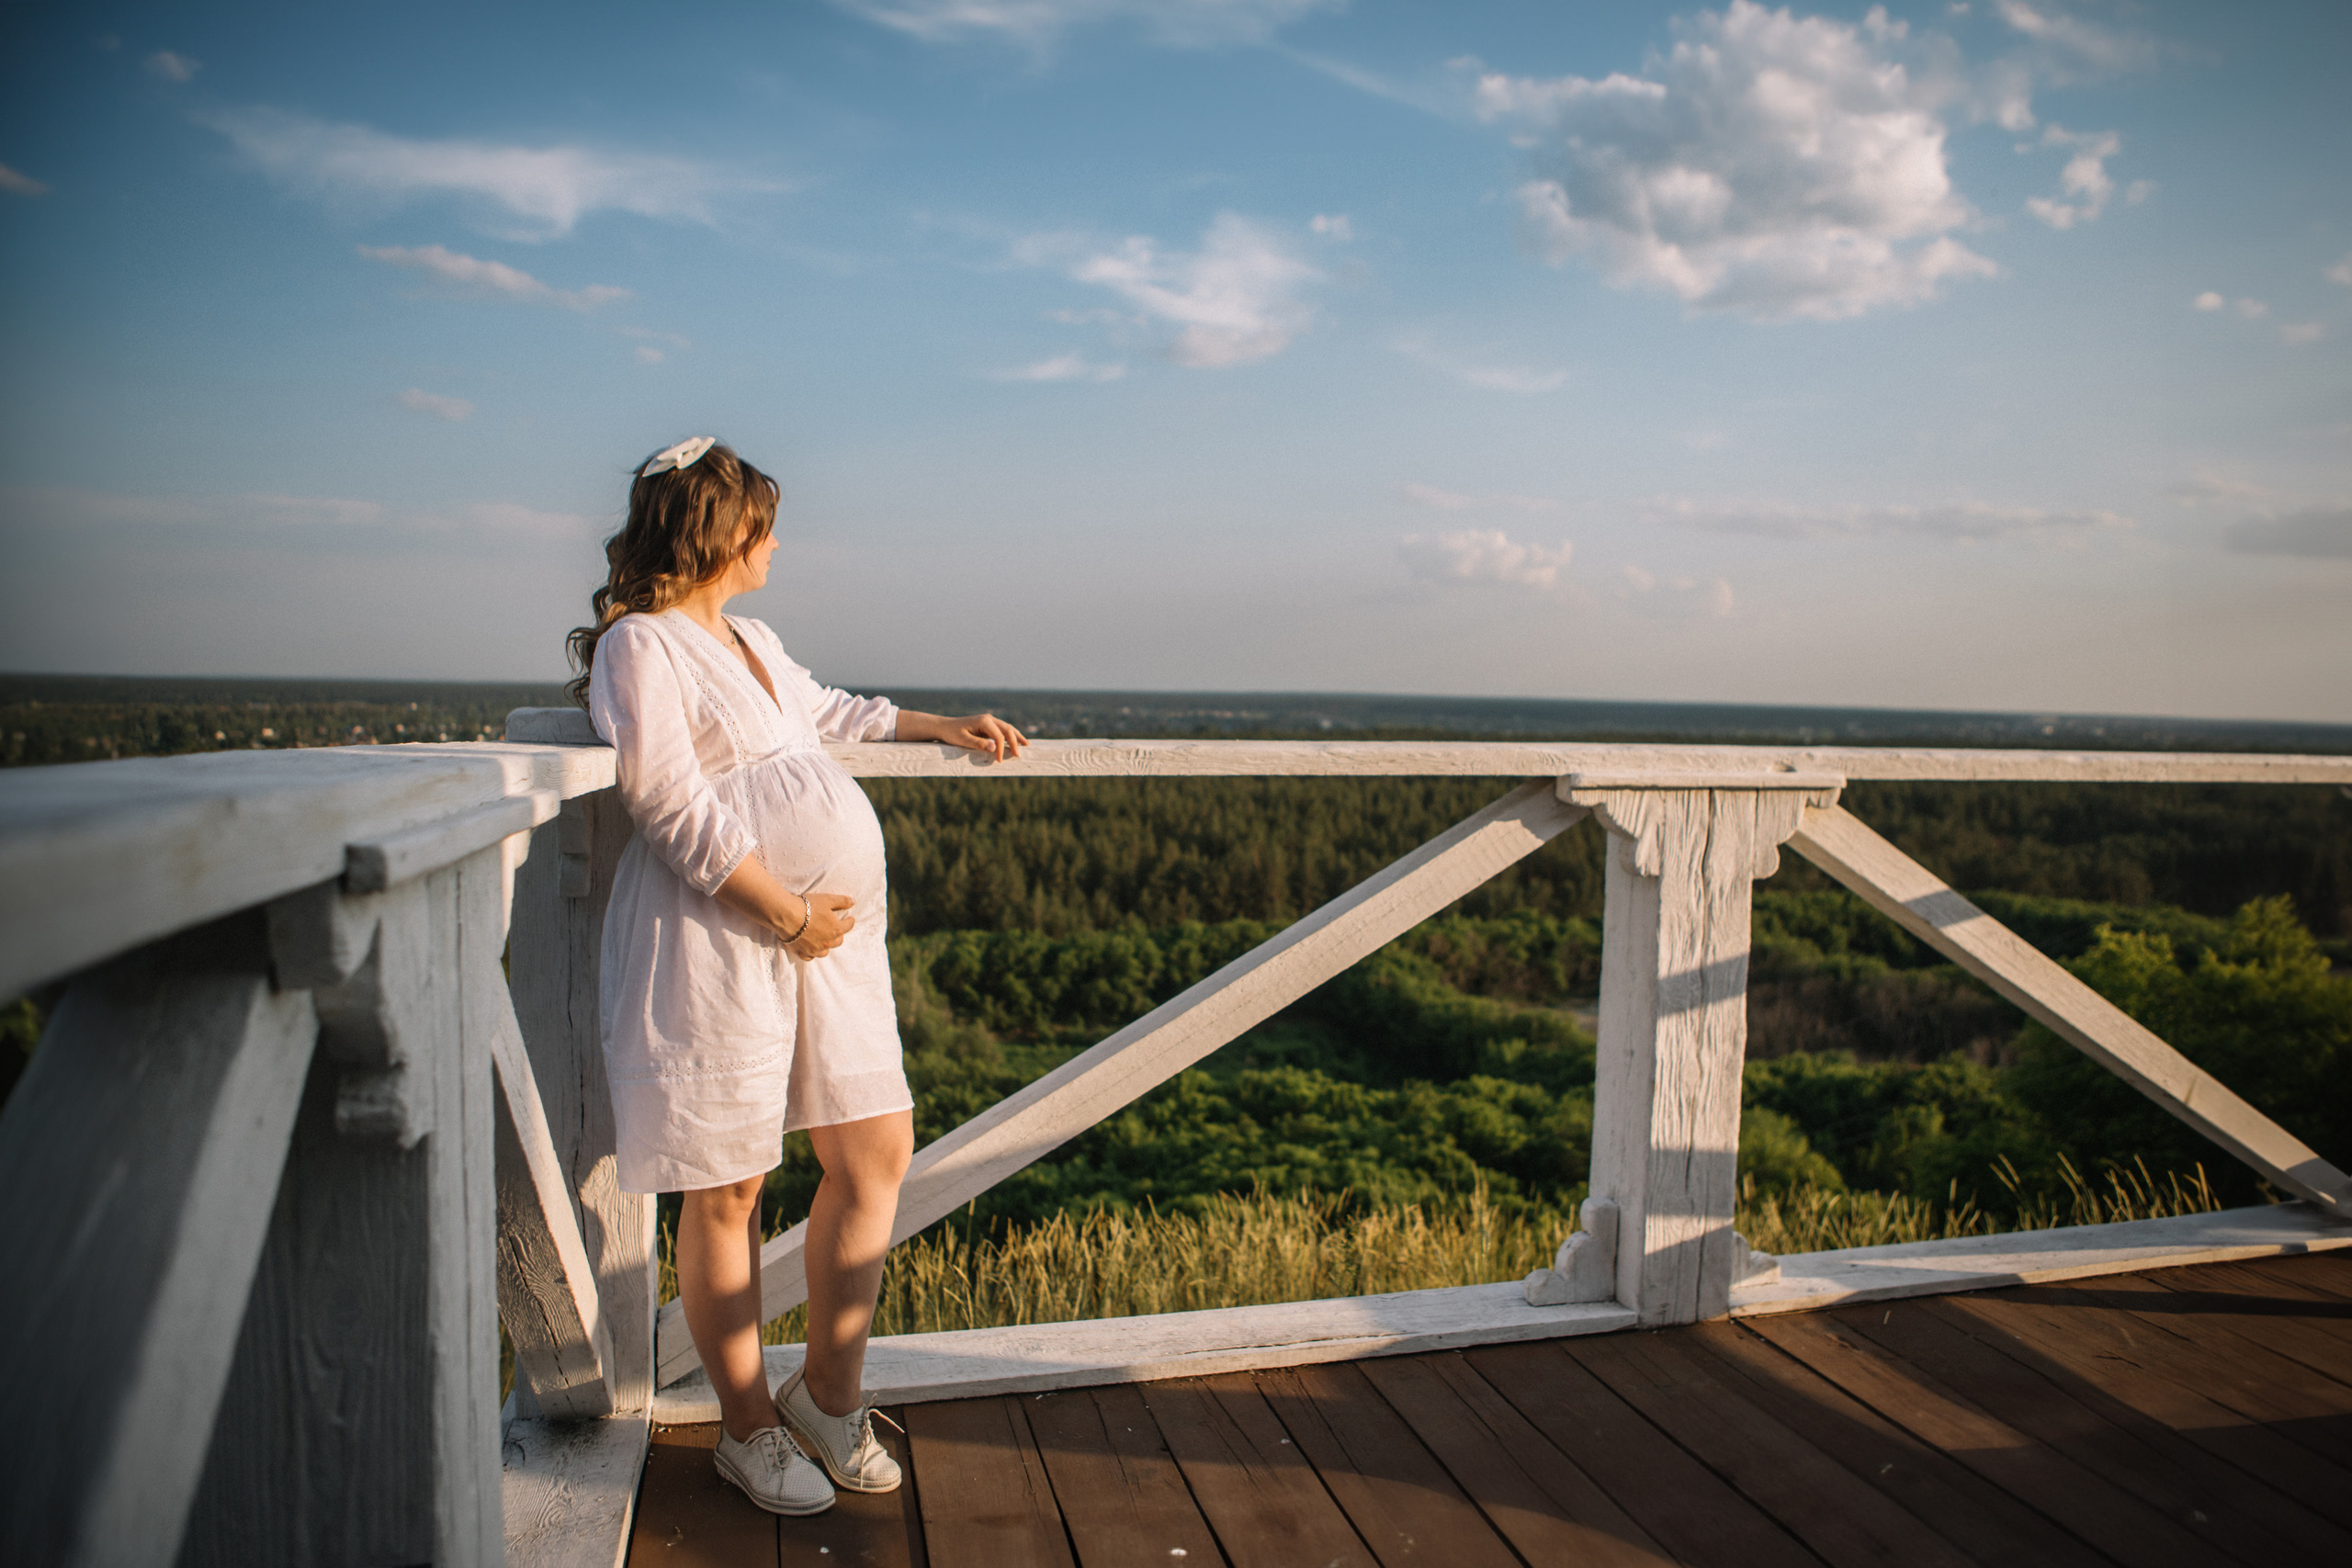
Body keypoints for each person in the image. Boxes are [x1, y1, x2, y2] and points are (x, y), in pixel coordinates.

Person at [567, 436, 1026, 1517]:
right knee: (727, 1185)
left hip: (829, 945)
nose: (776, 542)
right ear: (720, 534)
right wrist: (781, 909)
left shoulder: (751, 636)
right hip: (723, 933)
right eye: (763, 525)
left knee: (874, 1148)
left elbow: (827, 713)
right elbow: (668, 804)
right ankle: (745, 1428)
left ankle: (827, 1395)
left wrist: (935, 725)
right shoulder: (638, 647)